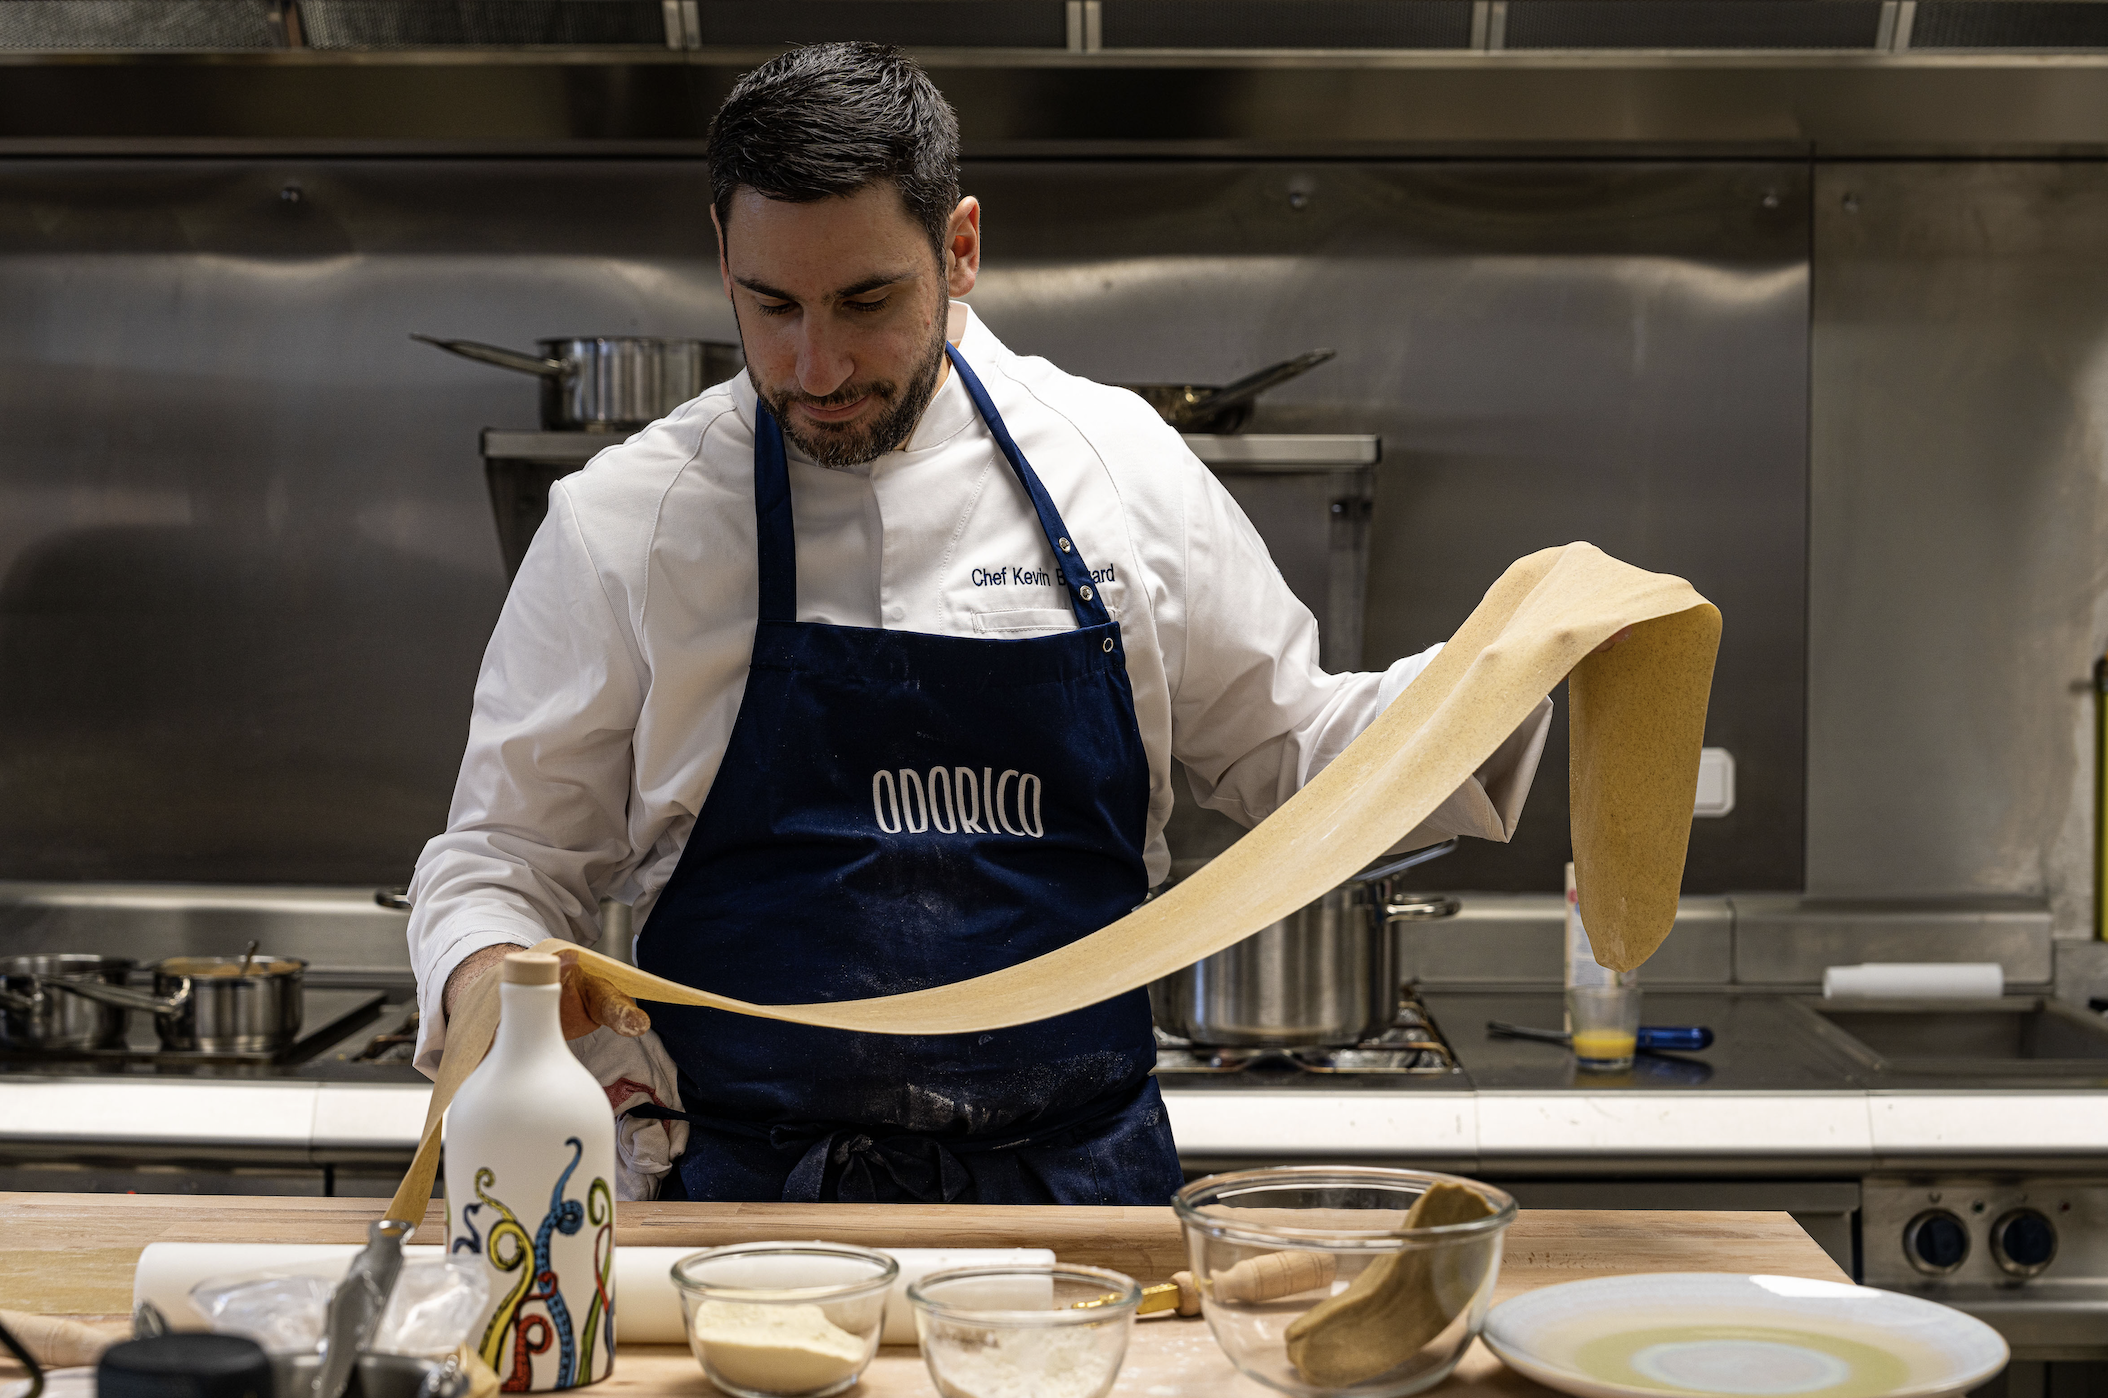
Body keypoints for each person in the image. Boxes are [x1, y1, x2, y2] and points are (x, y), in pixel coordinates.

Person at [406, 41, 1553, 1205]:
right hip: (746, 1216)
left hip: (1077, 1207)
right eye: (770, 305)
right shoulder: (629, 521)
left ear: (958, 250)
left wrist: (1519, 674)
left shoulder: (1120, 474)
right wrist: (495, 976)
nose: (814, 364)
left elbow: (1291, 753)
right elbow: (502, 859)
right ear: (722, 260)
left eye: (865, 301)